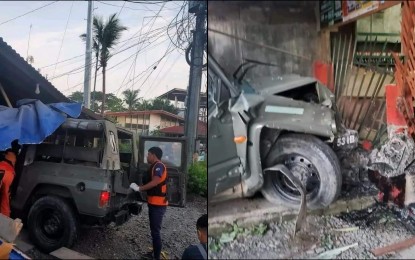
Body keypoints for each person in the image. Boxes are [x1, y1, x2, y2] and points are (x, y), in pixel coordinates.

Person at [130, 146, 168, 260]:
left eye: (148, 154)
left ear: (153, 155)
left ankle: (156, 257)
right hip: (154, 203)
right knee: (154, 231)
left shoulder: (159, 166)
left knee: (155, 232)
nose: (147, 156)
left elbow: (155, 182)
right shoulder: (154, 166)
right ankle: (154, 254)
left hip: (158, 205)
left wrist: (139, 189)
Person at [0, 140, 21, 217]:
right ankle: (4, 220)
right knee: (5, 198)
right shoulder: (15, 150)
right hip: (10, 174)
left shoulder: (4, 147)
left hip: (2, 171)